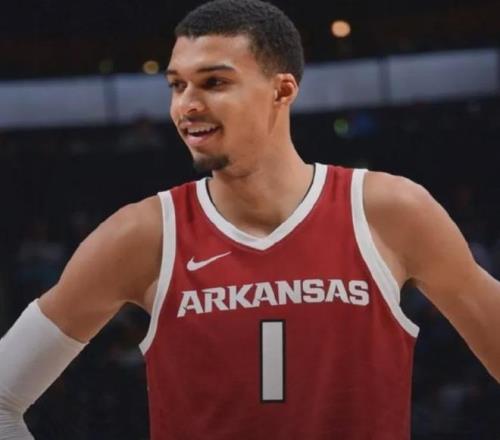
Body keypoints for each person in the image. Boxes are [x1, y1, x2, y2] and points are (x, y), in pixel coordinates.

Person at [1, 0, 499, 438]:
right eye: (177, 85)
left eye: (214, 82)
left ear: (282, 91)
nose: (187, 105)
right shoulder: (143, 234)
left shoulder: (390, 212)